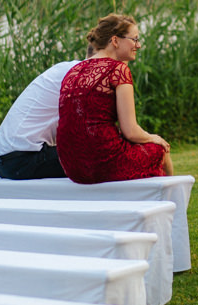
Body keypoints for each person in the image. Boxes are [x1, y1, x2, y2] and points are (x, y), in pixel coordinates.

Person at [56, 14, 173, 183]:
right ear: (115, 41)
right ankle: (173, 207)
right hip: (102, 162)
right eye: (134, 39)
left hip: (71, 165)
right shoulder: (118, 70)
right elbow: (130, 131)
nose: (138, 45)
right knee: (161, 150)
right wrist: (153, 137)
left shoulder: (74, 71)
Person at [0, 55, 87, 180]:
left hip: (4, 162)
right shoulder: (81, 75)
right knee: (99, 157)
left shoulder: (65, 68)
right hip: (21, 161)